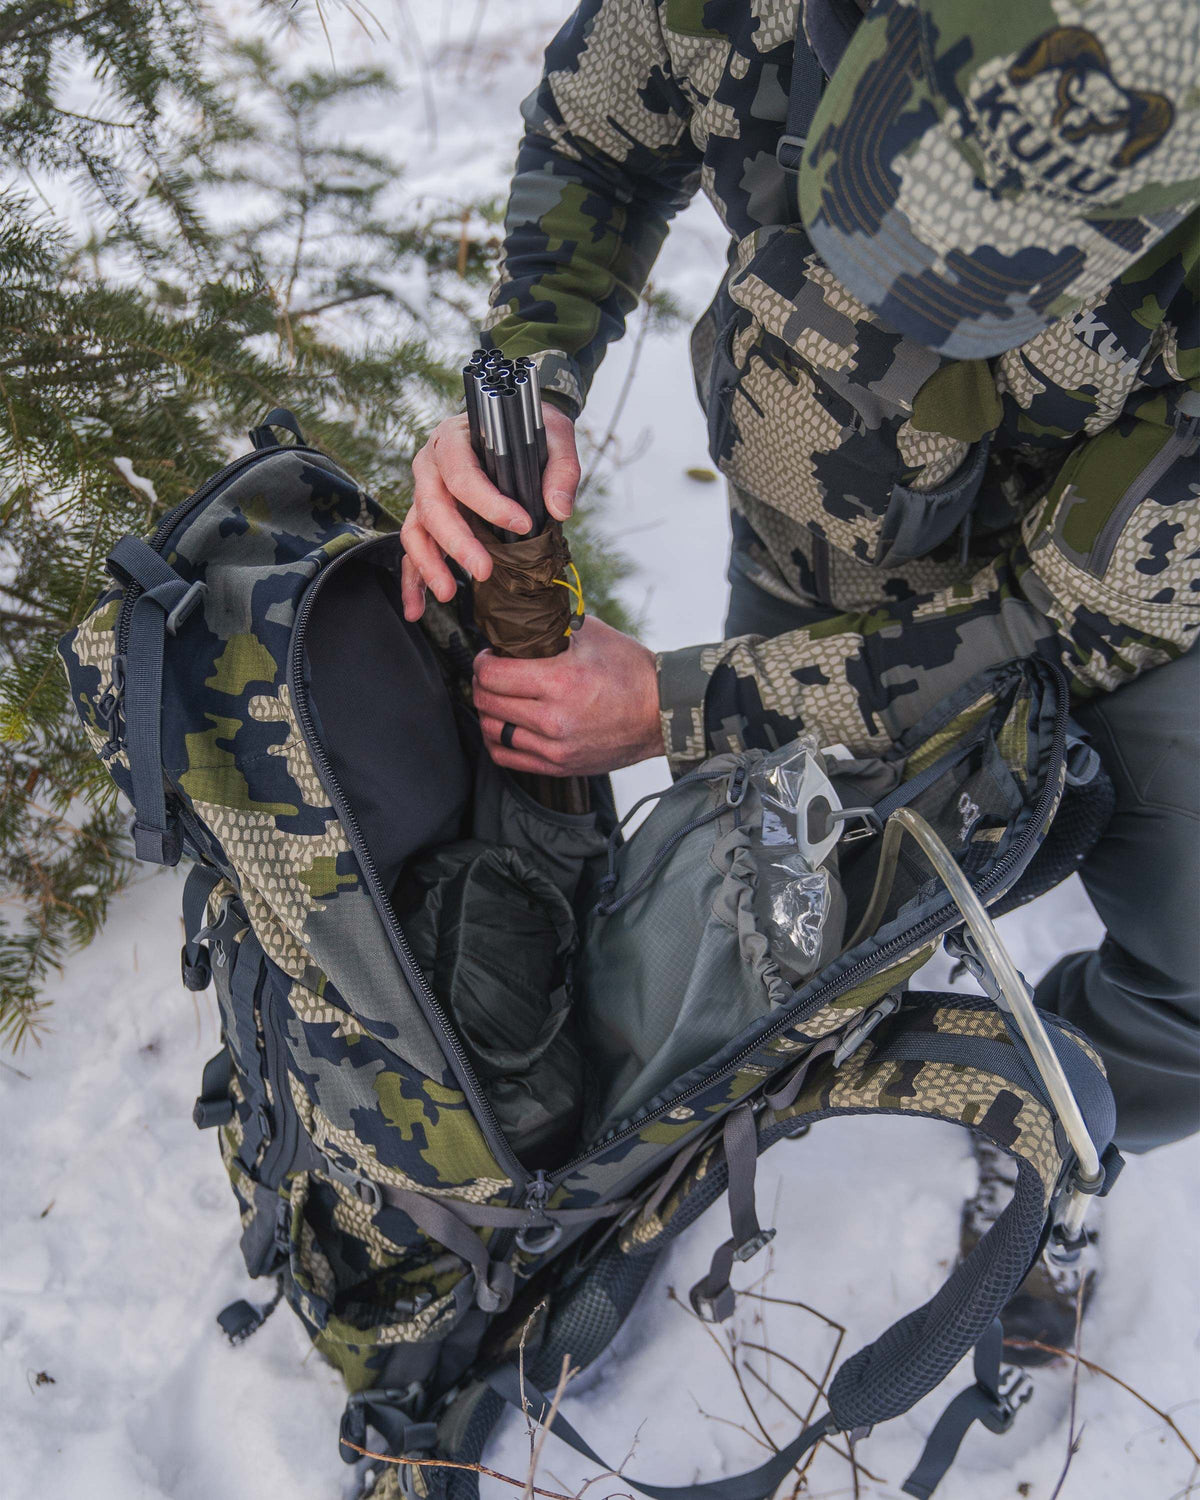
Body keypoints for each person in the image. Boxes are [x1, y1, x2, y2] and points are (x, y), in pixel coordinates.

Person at [402, 0, 1200, 1355]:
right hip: (823, 523)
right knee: (749, 890)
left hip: (1103, 585)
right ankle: (687, 1126)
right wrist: (530, 367)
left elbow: (1050, 626)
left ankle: (1049, 1122)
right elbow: (598, 125)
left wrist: (677, 703)